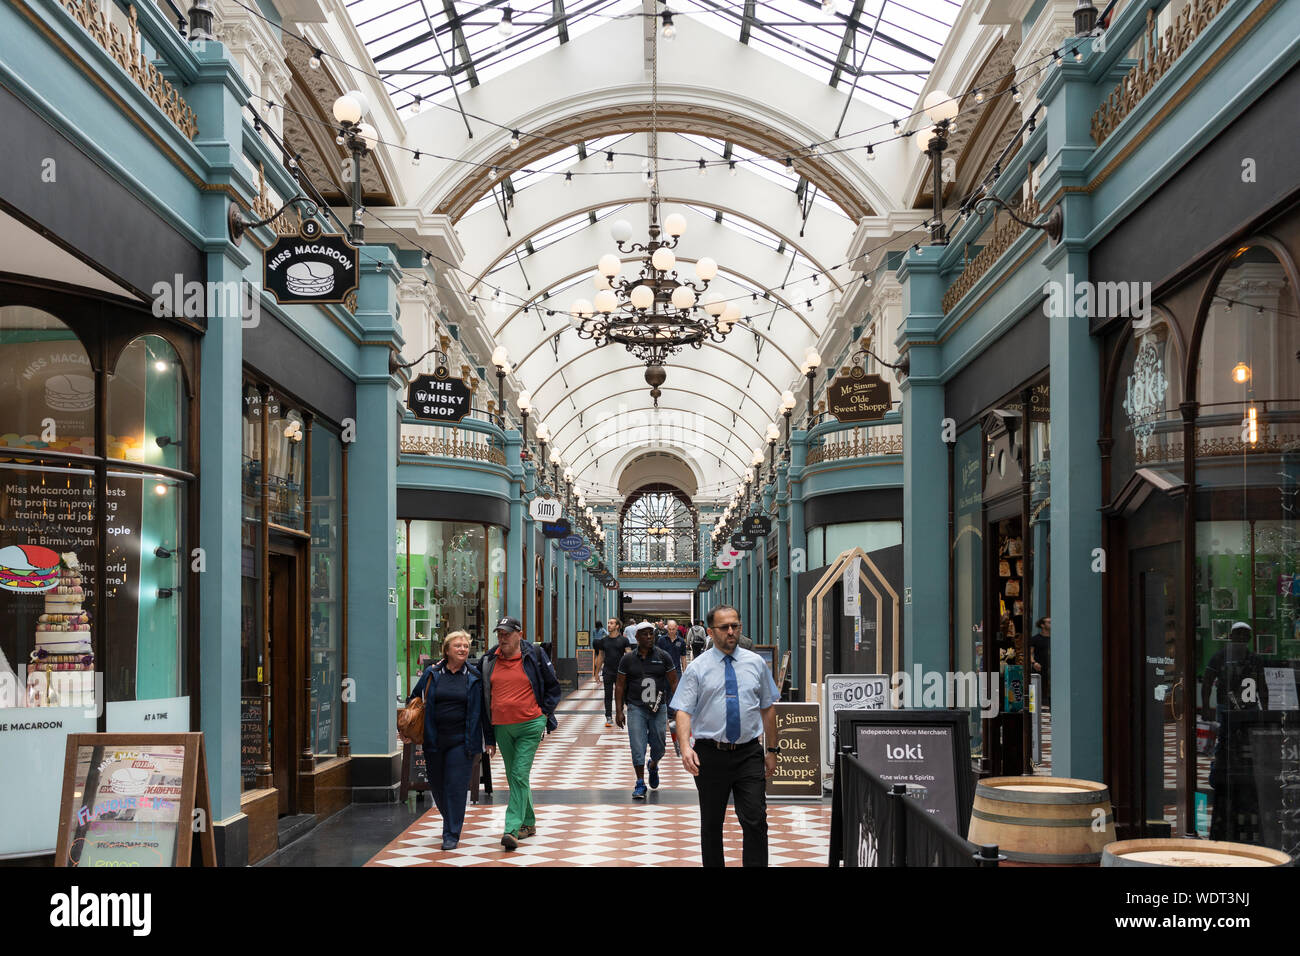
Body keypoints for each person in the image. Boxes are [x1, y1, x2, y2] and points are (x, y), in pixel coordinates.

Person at [671, 604, 778, 867]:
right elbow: (683, 711)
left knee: (755, 819)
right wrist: (685, 747)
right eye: (724, 627)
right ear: (711, 631)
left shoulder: (756, 664)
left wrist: (773, 751)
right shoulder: (697, 668)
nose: (731, 632)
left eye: (735, 626)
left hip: (748, 753)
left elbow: (768, 707)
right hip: (710, 754)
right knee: (711, 823)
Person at [481, 616, 561, 851]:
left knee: (518, 773)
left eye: (507, 633)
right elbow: (479, 690)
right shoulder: (489, 659)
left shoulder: (533, 655)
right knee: (516, 776)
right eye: (499, 633)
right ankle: (529, 822)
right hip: (502, 727)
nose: (502, 638)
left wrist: (544, 714)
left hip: (530, 725)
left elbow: (553, 686)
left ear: (519, 633)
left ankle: (511, 829)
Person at [403, 630, 482, 850]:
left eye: (465, 646)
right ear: (446, 650)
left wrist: (489, 741)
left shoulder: (474, 676)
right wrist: (408, 727)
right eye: (457, 645)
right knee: (437, 786)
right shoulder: (432, 673)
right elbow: (415, 698)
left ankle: (451, 833)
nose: (463, 649)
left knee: (455, 786)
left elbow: (483, 712)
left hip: (462, 741)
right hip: (434, 740)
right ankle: (451, 819)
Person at [615, 623, 679, 799]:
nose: (649, 637)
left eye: (651, 634)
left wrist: (681, 708)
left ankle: (653, 764)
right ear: (637, 638)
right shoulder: (627, 659)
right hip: (636, 707)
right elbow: (620, 685)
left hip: (659, 708)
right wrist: (619, 710)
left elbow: (674, 682)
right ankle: (640, 782)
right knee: (637, 745)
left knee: (659, 746)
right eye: (645, 634)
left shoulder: (663, 656)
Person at [594, 619, 631, 726]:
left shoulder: (624, 640)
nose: (609, 625)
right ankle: (608, 716)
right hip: (608, 671)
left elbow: (629, 656)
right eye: (608, 623)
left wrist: (631, 670)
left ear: (617, 626)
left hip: (621, 673)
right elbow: (601, 656)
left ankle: (620, 713)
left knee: (621, 694)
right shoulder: (604, 641)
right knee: (608, 695)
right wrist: (596, 673)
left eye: (611, 623)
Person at [1029, 617, 1051, 709]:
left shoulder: (1055, 638)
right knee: (1038, 691)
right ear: (1042, 625)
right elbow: (1029, 654)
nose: (1052, 624)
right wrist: (1034, 663)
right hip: (1039, 668)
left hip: (1051, 669)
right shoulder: (1035, 639)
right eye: (1049, 622)